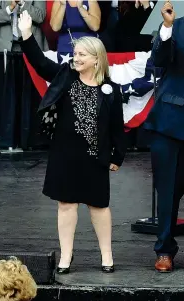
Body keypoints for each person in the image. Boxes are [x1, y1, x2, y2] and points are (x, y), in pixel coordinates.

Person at [18, 11, 126, 274]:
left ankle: (106, 256)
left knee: (98, 206)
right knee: (66, 205)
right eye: (75, 54)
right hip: (65, 154)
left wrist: (117, 157)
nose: (75, 58)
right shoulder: (65, 75)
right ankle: (66, 256)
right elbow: (40, 63)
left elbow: (117, 128)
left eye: (81, 55)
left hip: (95, 156)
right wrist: (26, 34)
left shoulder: (109, 90)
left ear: (96, 59)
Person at [143, 0, 183, 273]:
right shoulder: (174, 25)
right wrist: (167, 27)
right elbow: (157, 61)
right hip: (170, 122)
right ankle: (165, 250)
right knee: (167, 192)